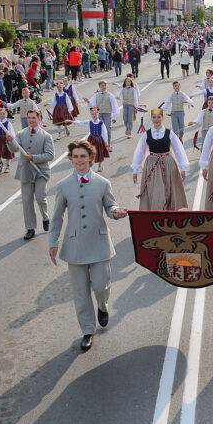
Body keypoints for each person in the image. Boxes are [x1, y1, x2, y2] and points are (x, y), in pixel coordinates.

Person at [48, 140, 129, 352]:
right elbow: (56, 217)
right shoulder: (63, 186)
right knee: (80, 292)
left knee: (101, 285)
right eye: (75, 156)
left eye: (83, 156)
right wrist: (53, 242)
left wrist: (117, 212)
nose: (79, 160)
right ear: (71, 159)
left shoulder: (102, 183)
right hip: (74, 246)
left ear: (90, 158)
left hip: (99, 242)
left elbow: (111, 205)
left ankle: (102, 305)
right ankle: (87, 330)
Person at [7, 109, 55, 240]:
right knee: (27, 201)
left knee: (40, 197)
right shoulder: (21, 133)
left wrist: (33, 157)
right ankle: (30, 228)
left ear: (39, 118)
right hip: (26, 171)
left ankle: (45, 218)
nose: (31, 120)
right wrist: (10, 141)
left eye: (33, 117)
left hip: (41, 172)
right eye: (29, 118)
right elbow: (15, 148)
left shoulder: (46, 136)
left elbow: (50, 155)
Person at [131, 109, 189, 211]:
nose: (156, 119)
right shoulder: (146, 134)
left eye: (158, 117)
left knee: (169, 189)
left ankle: (167, 212)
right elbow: (140, 151)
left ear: (162, 118)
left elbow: (178, 150)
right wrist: (135, 170)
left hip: (168, 163)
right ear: (151, 119)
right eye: (154, 117)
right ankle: (156, 211)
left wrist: (183, 168)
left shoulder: (169, 133)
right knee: (156, 190)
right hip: (151, 164)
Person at [70, 107, 111, 171]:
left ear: (98, 114)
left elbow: (104, 132)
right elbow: (82, 123)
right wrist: (72, 121)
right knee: (90, 152)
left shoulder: (101, 123)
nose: (94, 116)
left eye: (95, 114)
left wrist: (105, 142)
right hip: (91, 139)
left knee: (99, 152)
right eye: (92, 114)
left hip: (99, 140)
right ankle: (91, 166)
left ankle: (99, 166)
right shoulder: (90, 122)